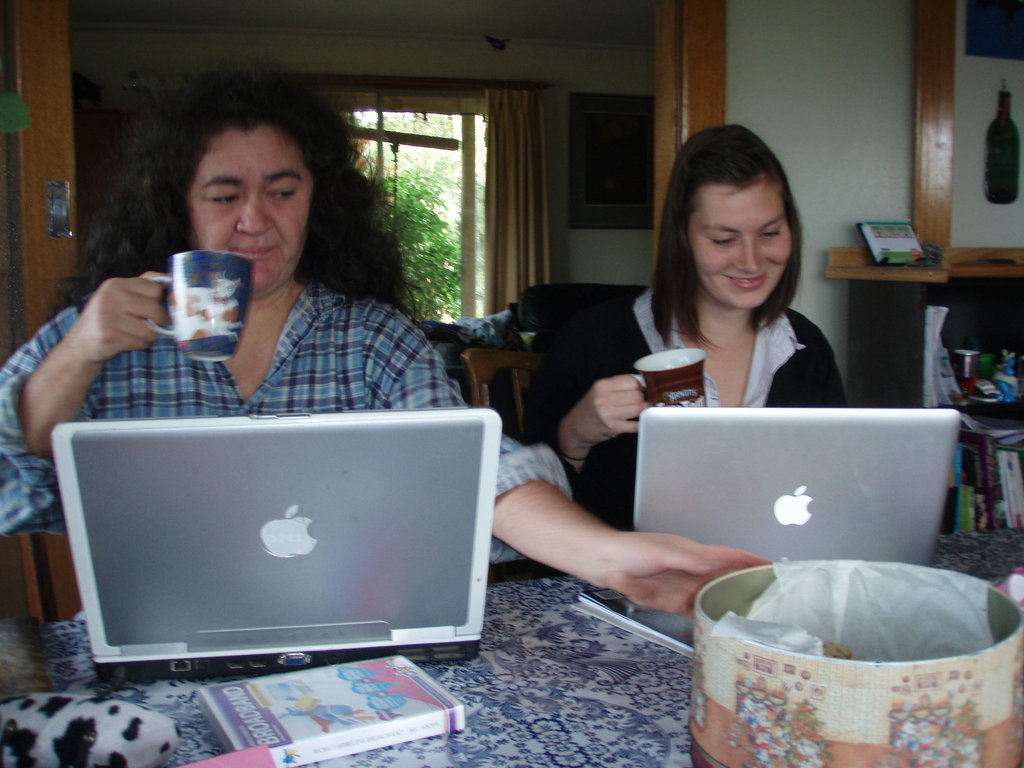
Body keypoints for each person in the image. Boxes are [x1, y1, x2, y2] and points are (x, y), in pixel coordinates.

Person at [0, 70, 764, 616]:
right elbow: (23, 456)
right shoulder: (114, 325)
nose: (256, 219)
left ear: (316, 199)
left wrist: (614, 558)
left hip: (345, 636)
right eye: (225, 194)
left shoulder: (371, 340)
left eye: (283, 190)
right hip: (155, 641)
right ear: (180, 207)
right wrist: (80, 348)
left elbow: (476, 468)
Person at [525, 124, 847, 531]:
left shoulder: (807, 349)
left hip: (769, 580)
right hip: (626, 586)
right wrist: (575, 435)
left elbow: (833, 496)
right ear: (683, 238)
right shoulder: (592, 340)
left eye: (770, 233)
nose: (751, 262)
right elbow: (526, 515)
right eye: (723, 239)